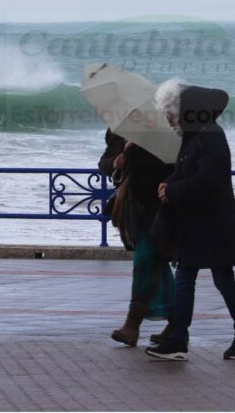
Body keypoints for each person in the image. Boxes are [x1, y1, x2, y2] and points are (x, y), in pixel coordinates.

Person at [144, 80, 235, 362]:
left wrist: (173, 190)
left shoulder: (211, 136)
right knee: (191, 279)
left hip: (214, 226)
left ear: (183, 111)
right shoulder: (195, 135)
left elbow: (210, 181)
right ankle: (181, 338)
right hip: (197, 225)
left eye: (169, 114)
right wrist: (168, 184)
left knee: (222, 282)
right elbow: (185, 172)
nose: (168, 121)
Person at [97, 128, 175, 346]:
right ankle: (176, 321)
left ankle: (132, 325)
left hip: (160, 209)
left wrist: (136, 150)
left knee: (143, 261)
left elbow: (172, 168)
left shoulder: (165, 134)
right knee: (155, 262)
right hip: (134, 210)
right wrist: (118, 161)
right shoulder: (117, 133)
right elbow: (104, 164)